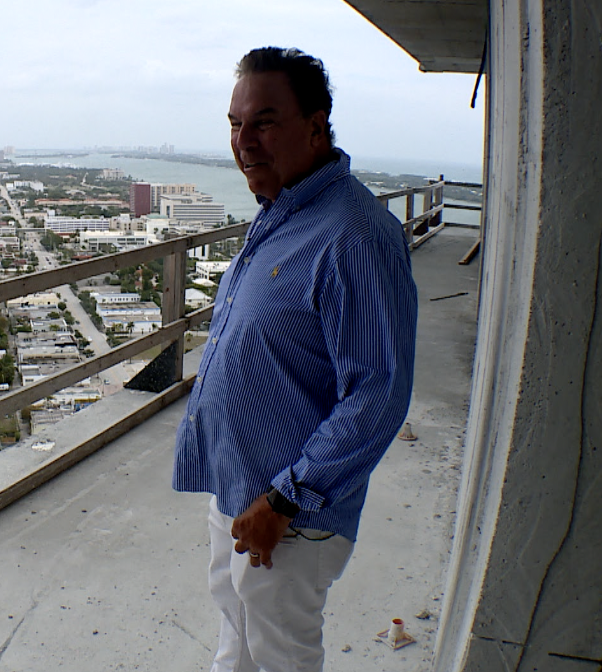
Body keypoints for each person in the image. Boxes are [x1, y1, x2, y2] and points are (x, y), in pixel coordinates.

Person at [172, 47, 418, 672]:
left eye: (264, 121)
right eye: (234, 124)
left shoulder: (353, 236)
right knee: (238, 641)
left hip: (289, 514)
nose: (244, 141)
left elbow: (378, 393)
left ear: (316, 124)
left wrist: (284, 501)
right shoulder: (285, 214)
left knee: (281, 655)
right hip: (240, 492)